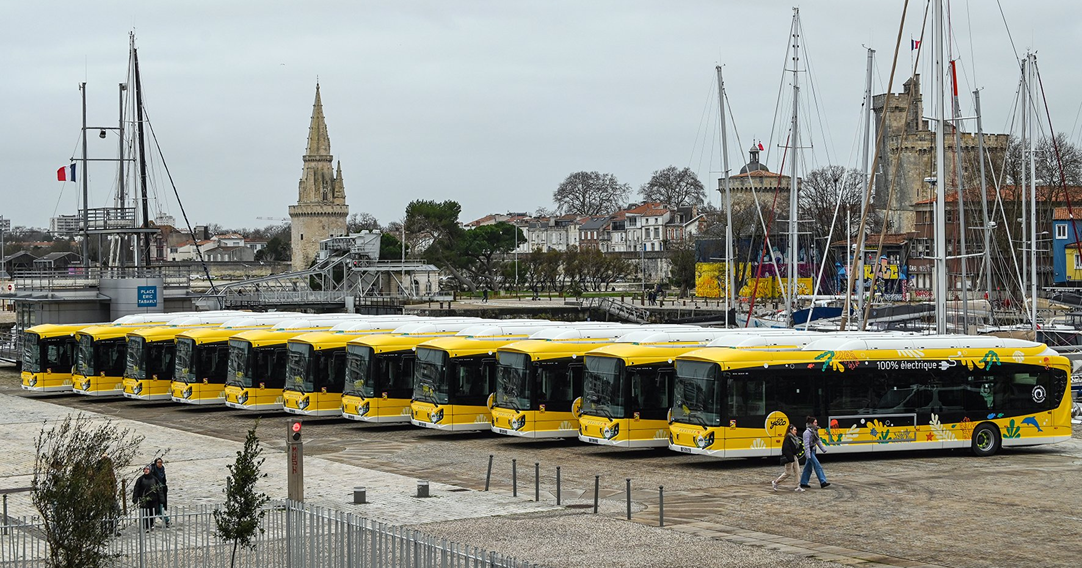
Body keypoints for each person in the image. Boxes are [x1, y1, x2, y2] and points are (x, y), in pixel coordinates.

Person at [799, 416, 830, 489]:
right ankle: (823, 482)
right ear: (811, 423)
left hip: (813, 450)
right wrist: (808, 455)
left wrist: (823, 449)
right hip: (809, 451)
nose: (816, 424)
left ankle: (803, 482)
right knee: (817, 465)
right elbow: (806, 445)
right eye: (815, 422)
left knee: (808, 467)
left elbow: (818, 441)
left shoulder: (815, 431)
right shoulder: (806, 433)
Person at [773, 424, 804, 492]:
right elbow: (786, 449)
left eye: (796, 430)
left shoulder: (795, 438)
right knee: (788, 473)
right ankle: (776, 482)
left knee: (797, 471)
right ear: (790, 430)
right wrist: (790, 458)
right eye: (794, 430)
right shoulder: (788, 438)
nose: (796, 431)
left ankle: (797, 486)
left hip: (794, 456)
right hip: (789, 457)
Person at [132, 466, 162, 532]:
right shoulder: (140, 479)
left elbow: (159, 489)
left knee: (153, 513)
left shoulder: (154, 479)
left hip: (154, 499)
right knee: (144, 513)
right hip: (144, 499)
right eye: (145, 469)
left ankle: (151, 525)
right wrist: (135, 498)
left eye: (147, 469)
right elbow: (136, 489)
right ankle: (145, 526)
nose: (146, 470)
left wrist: (161, 498)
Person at [149, 458, 171, 527]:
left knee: (160, 507)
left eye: (161, 462)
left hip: (162, 491)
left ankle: (166, 520)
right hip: (155, 491)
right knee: (155, 508)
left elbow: (164, 480)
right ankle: (164, 520)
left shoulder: (162, 470)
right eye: (158, 462)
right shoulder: (153, 470)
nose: (160, 464)